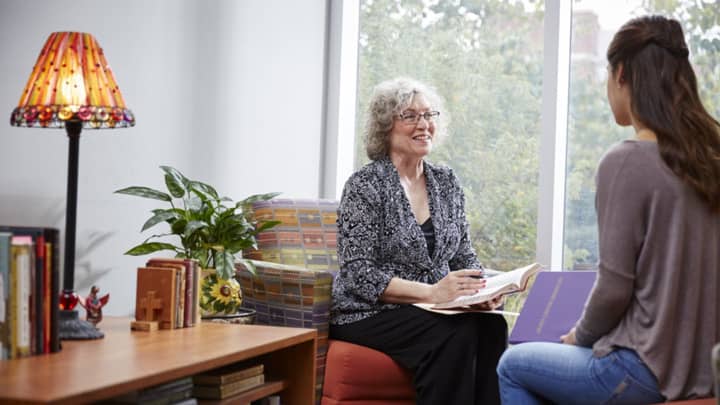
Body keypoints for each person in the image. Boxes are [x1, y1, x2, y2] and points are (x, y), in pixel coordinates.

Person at [497, 15, 720, 404]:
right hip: (705, 374)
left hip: (642, 371)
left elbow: (615, 288)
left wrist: (578, 336)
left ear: (621, 75)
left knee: (513, 365)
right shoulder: (710, 158)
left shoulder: (627, 161)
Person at [329, 77, 508, 405]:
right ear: (386, 127)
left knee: (491, 325)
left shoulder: (446, 181)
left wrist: (482, 292)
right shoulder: (365, 185)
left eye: (429, 115)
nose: (423, 124)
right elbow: (358, 274)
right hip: (369, 312)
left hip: (433, 307)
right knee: (457, 334)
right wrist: (432, 293)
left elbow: (463, 254)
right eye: (410, 116)